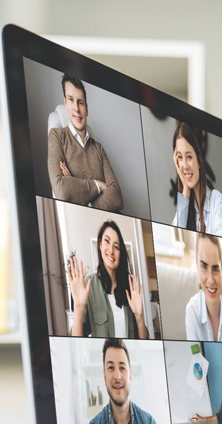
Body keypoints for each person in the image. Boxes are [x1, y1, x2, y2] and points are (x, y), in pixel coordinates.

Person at [77, 338, 170, 424]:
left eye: (122, 367)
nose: (117, 376)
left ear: (130, 376)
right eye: (110, 368)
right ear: (104, 376)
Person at [47, 75, 124, 211]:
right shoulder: (57, 136)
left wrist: (80, 195)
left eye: (80, 102)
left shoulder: (99, 149)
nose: (76, 108)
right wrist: (98, 186)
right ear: (65, 103)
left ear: (86, 109)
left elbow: (117, 198)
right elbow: (62, 190)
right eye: (71, 100)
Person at [66, 219, 150, 339]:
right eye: (107, 241)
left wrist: (139, 317)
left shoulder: (130, 288)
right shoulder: (89, 286)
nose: (111, 250)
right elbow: (77, 343)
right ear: (100, 244)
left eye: (116, 247)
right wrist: (79, 307)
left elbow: (144, 341)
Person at [171, 121, 222, 237]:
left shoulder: (216, 200)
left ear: (199, 160)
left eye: (189, 157)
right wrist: (186, 191)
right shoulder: (185, 206)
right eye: (180, 157)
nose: (185, 165)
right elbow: (176, 237)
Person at [184, 234, 222, 342]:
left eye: (215, 269)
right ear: (198, 268)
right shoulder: (192, 311)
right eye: (204, 267)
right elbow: (194, 357)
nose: (211, 280)